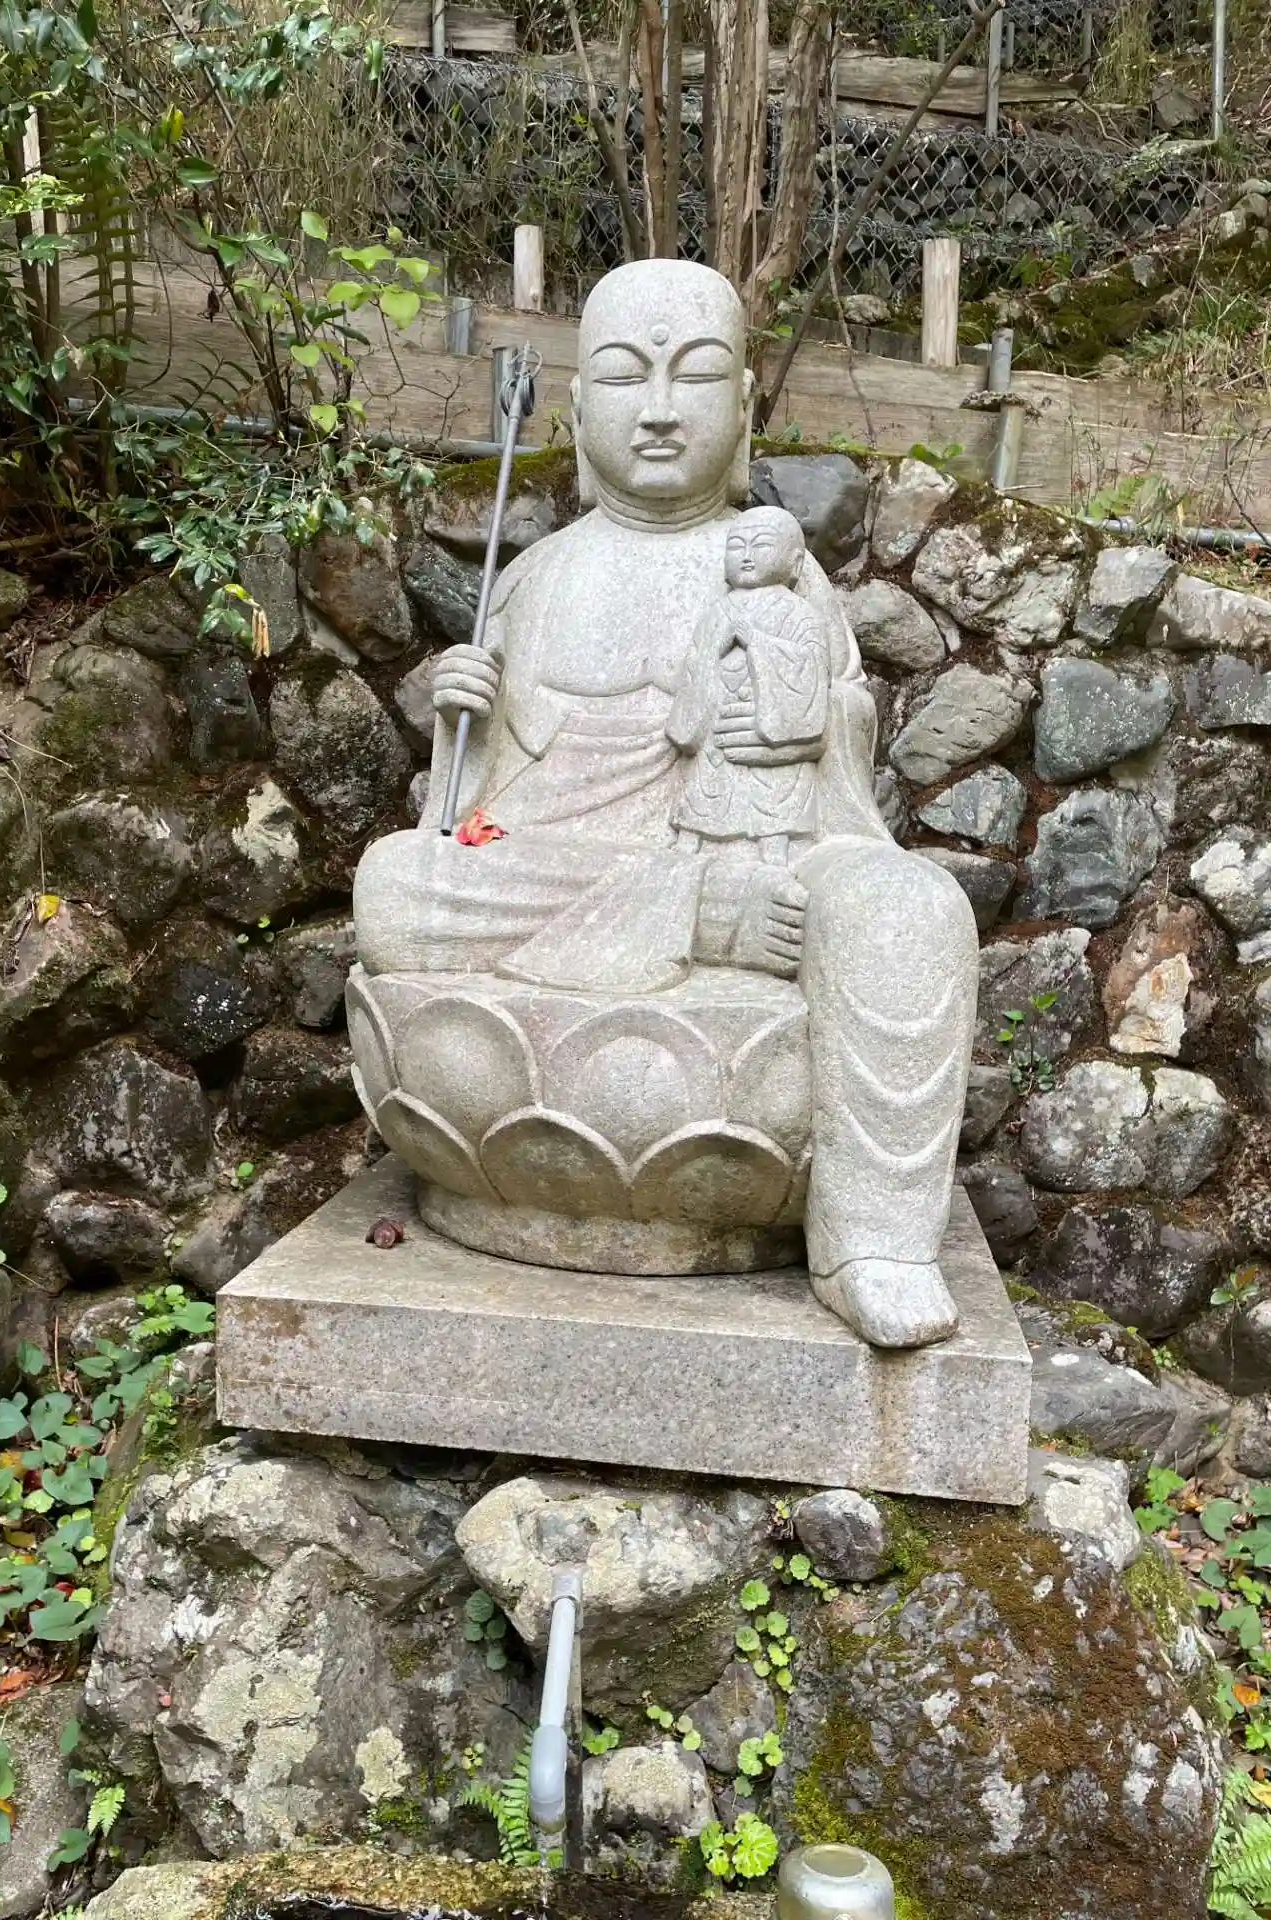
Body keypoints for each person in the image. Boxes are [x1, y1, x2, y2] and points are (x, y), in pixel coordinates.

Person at [352, 259, 978, 1349]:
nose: (655, 410)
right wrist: (467, 723)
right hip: (579, 871)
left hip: (760, 845)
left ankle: (872, 1241)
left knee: (909, 909)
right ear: (575, 404)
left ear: (741, 406)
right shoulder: (532, 578)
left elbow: (835, 786)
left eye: (691, 376)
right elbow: (480, 822)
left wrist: (797, 717)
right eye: (621, 377)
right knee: (396, 886)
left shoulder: (781, 578)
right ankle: (703, 919)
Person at [668, 506, 830, 865]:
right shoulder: (717, 612)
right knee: (706, 790)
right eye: (736, 546)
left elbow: (812, 667)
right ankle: (687, 846)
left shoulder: (799, 613)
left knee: (773, 796)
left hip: (765, 731)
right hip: (717, 725)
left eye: (761, 545)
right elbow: (695, 663)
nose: (746, 555)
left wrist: (758, 642)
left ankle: (775, 854)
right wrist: (711, 655)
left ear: (795, 563)